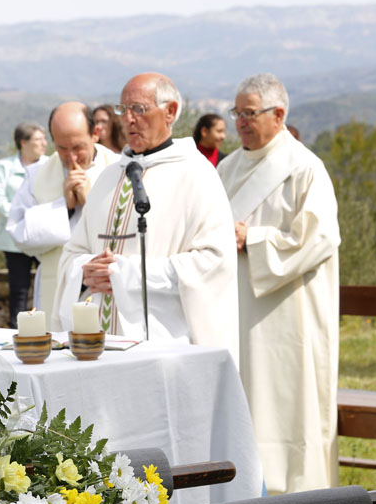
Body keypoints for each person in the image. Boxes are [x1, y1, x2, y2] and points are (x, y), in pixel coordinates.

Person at [53, 73, 238, 361]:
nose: (128, 119)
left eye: (138, 109)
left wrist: (128, 275)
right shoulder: (108, 176)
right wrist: (85, 269)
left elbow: (214, 261)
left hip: (164, 344)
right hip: (94, 345)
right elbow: (73, 252)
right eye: (122, 110)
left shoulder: (197, 176)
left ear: (171, 111)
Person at [217, 73, 340, 495]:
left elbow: (319, 238)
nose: (240, 122)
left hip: (288, 313)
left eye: (249, 113)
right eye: (237, 113)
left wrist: (251, 239)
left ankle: (297, 498)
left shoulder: (305, 168)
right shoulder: (227, 168)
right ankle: (239, 490)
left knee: (287, 405)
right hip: (235, 308)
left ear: (279, 114)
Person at [6, 102, 119, 329]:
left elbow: (133, 232)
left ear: (95, 133)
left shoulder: (119, 169)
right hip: (55, 284)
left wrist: (90, 203)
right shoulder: (38, 174)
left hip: (106, 287)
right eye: (62, 149)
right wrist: (64, 207)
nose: (71, 157)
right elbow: (19, 234)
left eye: (78, 147)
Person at [0, 122, 47, 327]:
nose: (44, 143)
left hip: (43, 236)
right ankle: (17, 332)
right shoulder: (5, 166)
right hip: (13, 239)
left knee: (47, 284)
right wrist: (21, 218)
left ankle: (47, 329)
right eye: (39, 139)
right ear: (23, 143)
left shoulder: (50, 164)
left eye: (44, 139)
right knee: (19, 289)